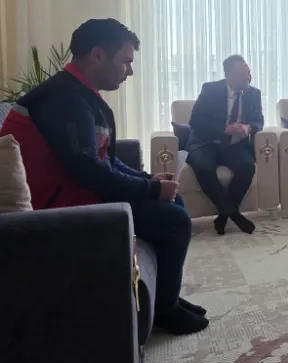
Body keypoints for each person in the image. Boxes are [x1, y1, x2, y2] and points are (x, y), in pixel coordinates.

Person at [0, 18, 207, 335]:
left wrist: (149, 181)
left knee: (174, 200)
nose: (130, 71)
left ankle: (167, 299)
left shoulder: (79, 95)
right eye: (126, 61)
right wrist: (151, 190)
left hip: (78, 192)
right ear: (97, 55)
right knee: (175, 220)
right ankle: (165, 311)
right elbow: (88, 171)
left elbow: (103, 158)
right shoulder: (64, 100)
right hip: (57, 212)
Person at [186, 55, 263, 236]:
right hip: (207, 142)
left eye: (249, 72)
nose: (248, 77)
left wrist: (248, 128)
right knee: (204, 167)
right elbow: (195, 121)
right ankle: (234, 214)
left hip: (235, 145)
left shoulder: (254, 94)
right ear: (228, 75)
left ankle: (223, 216)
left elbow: (258, 121)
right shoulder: (210, 90)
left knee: (247, 168)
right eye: (242, 74)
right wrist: (225, 128)